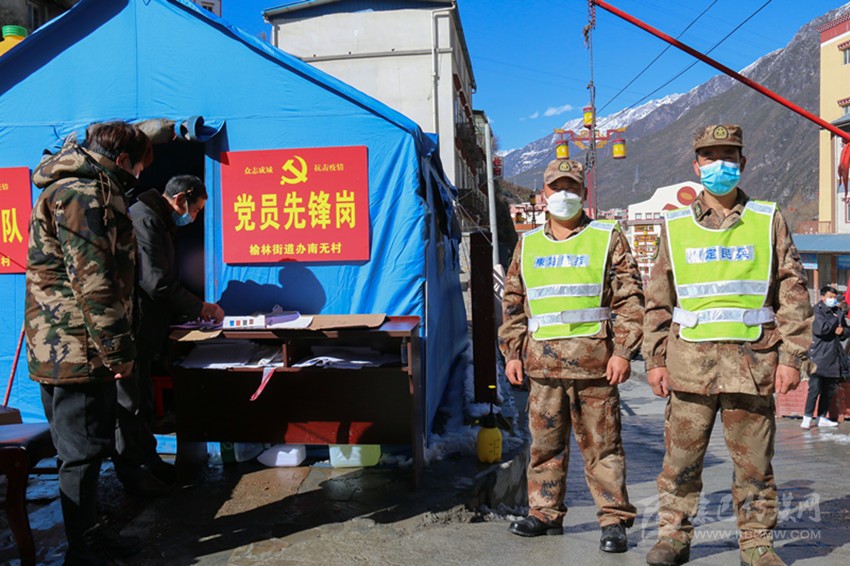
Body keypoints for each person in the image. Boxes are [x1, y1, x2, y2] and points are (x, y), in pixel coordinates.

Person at [643, 125, 813, 566]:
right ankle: (673, 538)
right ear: (696, 165)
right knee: (680, 464)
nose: (720, 164)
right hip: (689, 367)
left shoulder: (767, 219)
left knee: (754, 467)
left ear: (743, 162)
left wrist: (792, 357)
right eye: (710, 156)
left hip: (752, 365)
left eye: (729, 156)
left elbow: (793, 291)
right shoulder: (675, 226)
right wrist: (654, 359)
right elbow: (658, 298)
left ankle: (756, 543)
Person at [498, 158, 644, 554]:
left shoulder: (607, 237)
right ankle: (544, 513)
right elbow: (513, 303)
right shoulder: (528, 244)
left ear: (583, 192)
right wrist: (512, 353)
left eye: (571, 187)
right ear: (543, 194)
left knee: (603, 448)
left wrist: (623, 351)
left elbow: (631, 298)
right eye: (556, 187)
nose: (563, 194)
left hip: (596, 366)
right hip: (542, 367)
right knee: (544, 447)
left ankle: (613, 520)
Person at [26, 121, 153, 564]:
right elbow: (95, 281)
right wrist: (118, 351)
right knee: (81, 454)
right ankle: (83, 550)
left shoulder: (80, 187)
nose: (138, 175)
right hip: (76, 348)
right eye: (138, 166)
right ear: (122, 160)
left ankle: (91, 534)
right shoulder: (84, 193)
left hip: (71, 344)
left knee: (86, 449)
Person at [114, 174, 224, 494]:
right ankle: (133, 474)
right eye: (196, 210)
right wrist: (198, 307)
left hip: (147, 329)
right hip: (135, 326)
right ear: (181, 199)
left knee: (143, 400)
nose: (194, 217)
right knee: (130, 404)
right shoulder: (145, 219)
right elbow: (156, 283)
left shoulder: (158, 220)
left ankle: (148, 461)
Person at [802, 285, 848, 429]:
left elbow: (845, 330)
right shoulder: (817, 311)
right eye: (830, 297)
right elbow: (822, 329)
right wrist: (836, 317)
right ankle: (807, 417)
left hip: (833, 356)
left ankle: (821, 417)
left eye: (835, 297)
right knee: (814, 389)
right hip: (818, 355)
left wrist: (842, 331)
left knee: (828, 390)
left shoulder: (837, 312)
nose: (833, 300)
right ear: (822, 297)